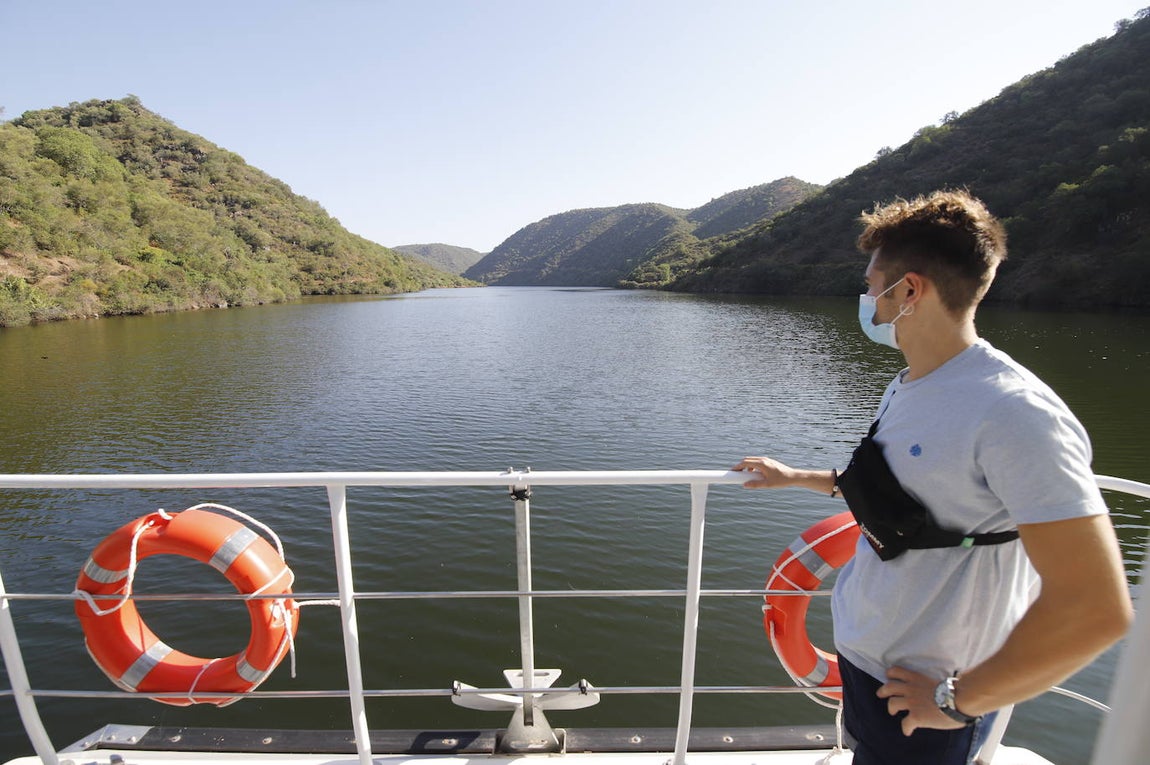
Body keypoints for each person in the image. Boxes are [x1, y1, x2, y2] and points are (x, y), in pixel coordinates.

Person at [734, 189, 1133, 765]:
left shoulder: (1014, 413)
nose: (867, 299)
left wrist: (956, 702)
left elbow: (1095, 607)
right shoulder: (911, 384)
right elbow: (897, 495)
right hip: (869, 666)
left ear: (910, 291)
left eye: (872, 287)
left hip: (929, 699)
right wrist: (794, 477)